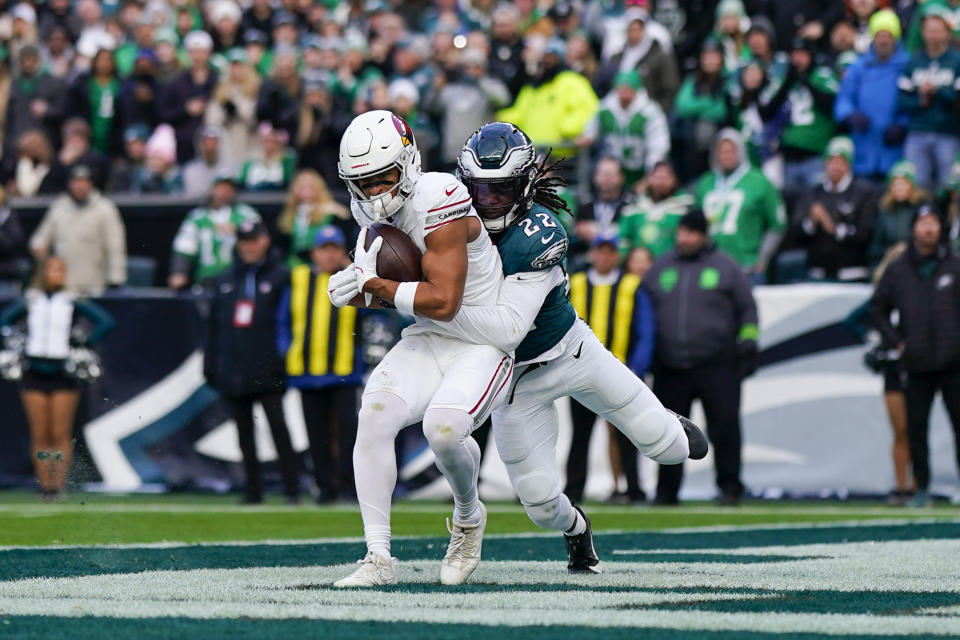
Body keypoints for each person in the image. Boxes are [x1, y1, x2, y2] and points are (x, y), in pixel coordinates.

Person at [439, 122, 706, 573]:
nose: (490, 202)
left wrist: (415, 297)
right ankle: (578, 530)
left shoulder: (542, 231)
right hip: (516, 383)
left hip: (572, 353)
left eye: (501, 190)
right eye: (481, 191)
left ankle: (667, 422)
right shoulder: (447, 226)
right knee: (541, 504)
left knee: (670, 449)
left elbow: (506, 327)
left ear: (524, 185)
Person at [327, 111, 514, 588]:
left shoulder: (440, 196)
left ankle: (469, 517)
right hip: (428, 337)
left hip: (480, 339)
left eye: (382, 178)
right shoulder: (366, 210)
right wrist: (357, 290)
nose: (374, 194)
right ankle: (378, 556)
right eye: (362, 184)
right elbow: (392, 291)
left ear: (408, 163)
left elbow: (445, 301)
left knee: (445, 429)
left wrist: (374, 284)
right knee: (374, 412)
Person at [643, 209, 758, 506]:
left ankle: (729, 487)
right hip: (670, 366)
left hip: (717, 364)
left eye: (690, 233)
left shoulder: (725, 267)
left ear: (704, 235)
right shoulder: (661, 267)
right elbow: (642, 312)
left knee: (724, 427)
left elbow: (747, 310)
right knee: (670, 433)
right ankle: (666, 491)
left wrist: (748, 342)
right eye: (681, 232)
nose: (683, 238)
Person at [0, 256, 114, 500]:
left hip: (63, 372)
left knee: (60, 432)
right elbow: (4, 320)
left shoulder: (71, 300)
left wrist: (84, 341)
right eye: (54, 269)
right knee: (40, 433)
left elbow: (105, 321)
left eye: (62, 269)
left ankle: (58, 486)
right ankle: (45, 485)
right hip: (34, 370)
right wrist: (17, 341)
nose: (59, 274)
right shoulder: (31, 300)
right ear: (44, 273)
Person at [870, 205, 960, 507]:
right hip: (917, 363)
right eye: (922, 222)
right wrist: (896, 343)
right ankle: (921, 487)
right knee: (915, 429)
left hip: (953, 363)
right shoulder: (898, 269)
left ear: (940, 227)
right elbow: (876, 309)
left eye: (933, 221)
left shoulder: (955, 265)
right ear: (913, 229)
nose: (928, 228)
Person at [204, 220, 299, 505]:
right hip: (234, 367)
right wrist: (210, 364)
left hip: (268, 367)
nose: (248, 245)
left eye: (253, 239)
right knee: (244, 433)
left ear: (265, 241)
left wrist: (284, 361)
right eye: (244, 240)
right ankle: (253, 490)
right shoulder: (224, 280)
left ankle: (292, 489)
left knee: (278, 428)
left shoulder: (282, 276)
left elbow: (291, 322)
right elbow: (213, 328)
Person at [564, 233, 656, 506]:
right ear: (592, 253)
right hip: (580, 375)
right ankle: (573, 491)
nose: (604, 257)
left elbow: (646, 331)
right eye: (600, 251)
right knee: (580, 436)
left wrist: (635, 371)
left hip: (619, 375)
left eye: (610, 252)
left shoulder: (631, 285)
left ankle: (634, 489)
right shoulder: (575, 283)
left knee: (627, 434)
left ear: (617, 255)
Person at [276, 226, 361, 503]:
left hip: (344, 371)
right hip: (307, 371)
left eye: (334, 249)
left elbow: (372, 318)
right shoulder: (299, 278)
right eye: (323, 249)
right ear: (314, 253)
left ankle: (350, 486)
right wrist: (287, 351)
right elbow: (283, 321)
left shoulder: (355, 278)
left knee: (349, 432)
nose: (328, 255)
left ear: (341, 252)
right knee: (317, 435)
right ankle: (326, 488)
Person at [695, 128, 787, 281]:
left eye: (731, 151)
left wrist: (762, 257)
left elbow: (778, 224)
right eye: (722, 151)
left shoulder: (759, 181)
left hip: (746, 266)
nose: (726, 156)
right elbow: (696, 225)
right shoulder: (705, 183)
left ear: (741, 151)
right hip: (709, 268)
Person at [834, 9, 910, 183]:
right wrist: (850, 115)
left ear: (895, 38)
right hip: (863, 145)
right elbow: (843, 100)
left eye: (888, 36)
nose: (883, 41)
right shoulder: (858, 67)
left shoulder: (906, 65)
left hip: (893, 149)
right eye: (879, 35)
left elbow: (914, 104)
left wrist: (903, 125)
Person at [29, 165, 126, 296]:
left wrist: (116, 279)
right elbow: (40, 238)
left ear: (90, 184)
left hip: (93, 286)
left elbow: (115, 247)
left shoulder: (105, 209)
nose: (79, 187)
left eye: (84, 182)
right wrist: (39, 246)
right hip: (62, 286)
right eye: (76, 182)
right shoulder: (59, 208)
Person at [793, 137, 877, 282]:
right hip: (817, 273)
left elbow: (866, 233)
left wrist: (832, 227)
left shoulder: (863, 194)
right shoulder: (812, 193)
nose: (836, 166)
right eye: (832, 161)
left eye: (841, 161)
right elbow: (795, 233)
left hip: (852, 274)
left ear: (849, 165)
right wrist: (812, 222)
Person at [897, 6, 960, 189]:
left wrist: (937, 91)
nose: (933, 35)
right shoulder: (914, 61)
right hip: (918, 131)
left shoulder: (956, 61)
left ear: (947, 33)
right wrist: (920, 100)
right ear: (922, 33)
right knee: (917, 187)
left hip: (948, 132)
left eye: (937, 30)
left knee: (948, 186)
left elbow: (958, 101)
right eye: (929, 30)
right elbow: (902, 99)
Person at [578, 70, 670, 188]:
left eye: (629, 89)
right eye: (621, 88)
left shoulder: (650, 112)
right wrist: (587, 136)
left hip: (640, 166)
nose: (624, 93)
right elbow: (591, 129)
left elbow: (658, 145)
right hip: (614, 165)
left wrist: (649, 175)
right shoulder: (605, 108)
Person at [168, 174, 262, 289]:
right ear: (213, 190)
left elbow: (261, 237)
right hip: (206, 278)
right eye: (221, 188)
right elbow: (184, 248)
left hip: (239, 277)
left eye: (228, 189)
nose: (224, 193)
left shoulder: (246, 214)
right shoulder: (197, 217)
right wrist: (179, 272)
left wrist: (238, 229)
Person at [157, 30, 219, 163]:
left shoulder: (218, 80)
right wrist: (186, 110)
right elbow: (163, 113)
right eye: (194, 52)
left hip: (213, 146)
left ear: (209, 54)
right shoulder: (177, 82)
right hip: (184, 147)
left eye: (202, 52)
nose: (198, 57)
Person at [618, 161, 695, 259]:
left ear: (675, 180)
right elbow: (623, 239)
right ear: (648, 179)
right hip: (637, 268)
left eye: (665, 178)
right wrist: (626, 260)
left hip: (671, 266)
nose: (660, 183)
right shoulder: (634, 206)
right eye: (657, 177)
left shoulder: (684, 208)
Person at [276, 169, 350, 267]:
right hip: (294, 266)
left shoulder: (329, 212)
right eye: (302, 187)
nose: (306, 191)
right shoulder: (290, 215)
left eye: (311, 187)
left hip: (321, 265)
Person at [871, 160, 931, 265]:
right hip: (889, 263)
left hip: (917, 263)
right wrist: (889, 252)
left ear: (912, 185)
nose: (899, 188)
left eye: (903, 183)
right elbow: (875, 246)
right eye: (895, 184)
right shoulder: (884, 210)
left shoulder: (922, 209)